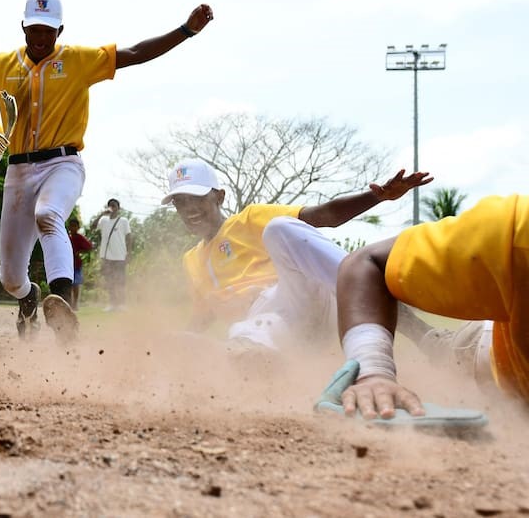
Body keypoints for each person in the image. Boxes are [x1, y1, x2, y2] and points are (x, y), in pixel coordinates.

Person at [0, 0, 214, 342]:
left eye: (48, 31)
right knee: (9, 276)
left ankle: (62, 305)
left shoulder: (78, 60)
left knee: (49, 214)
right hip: (18, 171)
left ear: (60, 30)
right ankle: (30, 297)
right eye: (35, 29)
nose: (41, 37)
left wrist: (185, 31)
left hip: (62, 163)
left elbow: (133, 53)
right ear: (24, 28)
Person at [162, 158, 430, 353]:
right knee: (235, 336)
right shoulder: (191, 260)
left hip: (305, 303)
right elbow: (203, 315)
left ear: (219, 196)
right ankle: (261, 367)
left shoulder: (248, 220)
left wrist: (377, 198)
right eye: (180, 202)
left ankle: (426, 336)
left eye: (196, 198)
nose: (189, 208)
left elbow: (324, 216)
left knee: (280, 228)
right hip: (271, 334)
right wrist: (175, 343)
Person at [333, 195, 527, 419]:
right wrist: (374, 370)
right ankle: (421, 330)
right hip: (483, 352)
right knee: (446, 350)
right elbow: (367, 261)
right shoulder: (516, 230)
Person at [91, 198, 132, 311]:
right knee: (110, 281)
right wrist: (101, 214)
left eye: (114, 206)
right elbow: (93, 227)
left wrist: (129, 253)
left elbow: (129, 237)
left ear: (118, 208)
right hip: (106, 256)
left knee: (120, 280)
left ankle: (122, 304)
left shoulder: (123, 221)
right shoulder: (103, 220)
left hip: (120, 256)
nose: (112, 208)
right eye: (110, 206)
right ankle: (112, 304)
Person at [66, 216, 92, 309]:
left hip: (76, 264)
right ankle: (69, 303)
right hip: (67, 265)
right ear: (69, 227)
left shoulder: (80, 238)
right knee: (68, 285)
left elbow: (89, 247)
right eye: (71, 226)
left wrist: (80, 252)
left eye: (75, 226)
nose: (73, 228)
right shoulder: (67, 237)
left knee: (76, 284)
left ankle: (75, 304)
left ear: (78, 227)